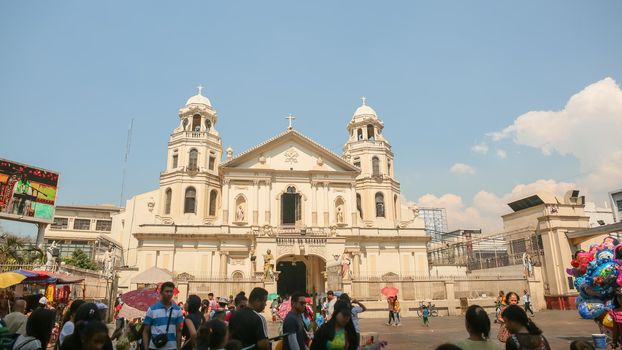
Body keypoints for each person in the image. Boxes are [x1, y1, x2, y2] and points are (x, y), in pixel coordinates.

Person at [142, 282, 184, 350]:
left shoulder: (178, 310)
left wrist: (178, 347)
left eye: (171, 291)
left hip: (172, 348)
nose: (169, 294)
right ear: (161, 293)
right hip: (154, 347)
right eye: (167, 291)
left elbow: (178, 331)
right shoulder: (152, 309)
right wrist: (146, 348)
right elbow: (145, 331)